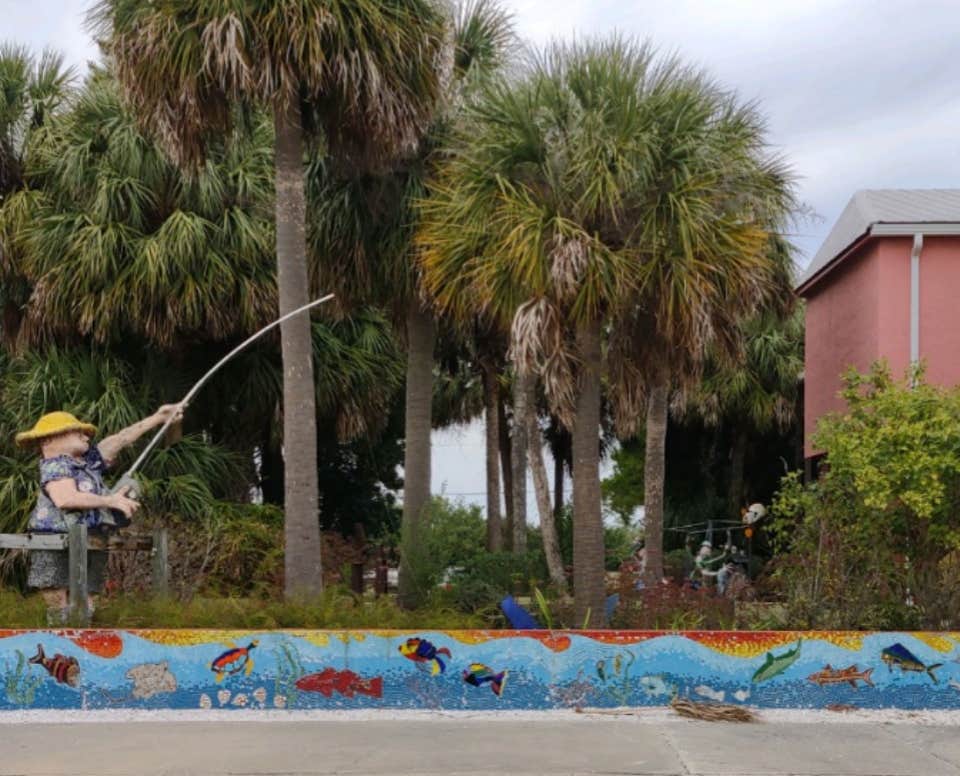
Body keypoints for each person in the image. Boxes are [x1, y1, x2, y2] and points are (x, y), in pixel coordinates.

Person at [15, 405, 183, 621]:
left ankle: (83, 636)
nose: (85, 437)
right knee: (57, 593)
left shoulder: (89, 462)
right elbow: (66, 498)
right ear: (49, 440)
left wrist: (157, 418)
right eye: (77, 432)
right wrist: (111, 500)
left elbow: (121, 439)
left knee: (89, 594)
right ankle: (60, 639)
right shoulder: (55, 466)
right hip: (56, 538)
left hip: (91, 537)